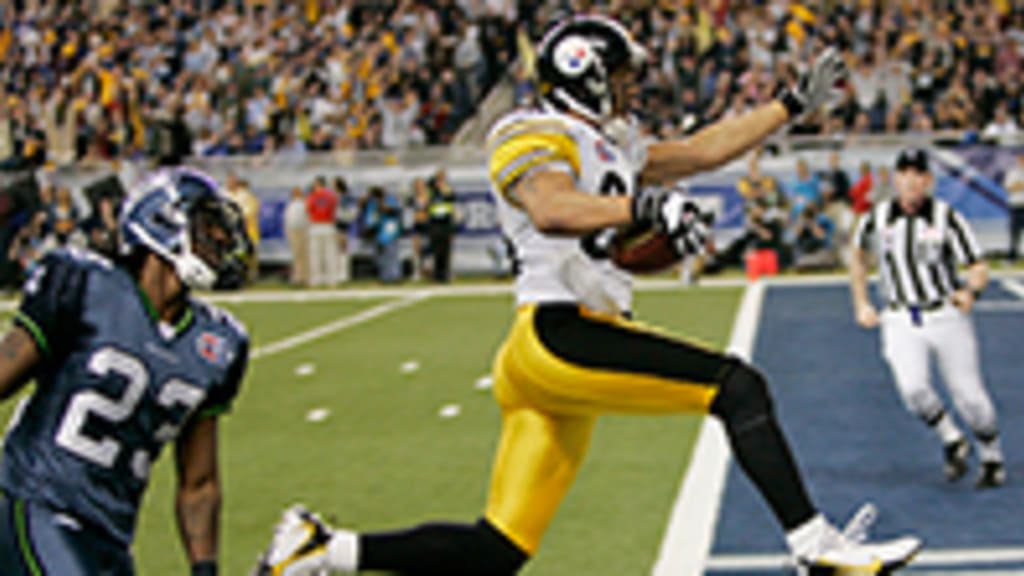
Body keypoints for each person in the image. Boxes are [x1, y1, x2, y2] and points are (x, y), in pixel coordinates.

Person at [256, 16, 920, 576]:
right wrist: (645, 206)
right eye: (623, 74)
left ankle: (321, 550)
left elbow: (697, 151)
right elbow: (550, 206)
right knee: (737, 388)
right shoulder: (531, 131)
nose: (633, 86)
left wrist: (790, 107)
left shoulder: (615, 141)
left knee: (499, 550)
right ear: (588, 74)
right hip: (557, 333)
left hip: (554, 355)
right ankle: (815, 547)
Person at [0, 167, 252, 575]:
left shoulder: (218, 344)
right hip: (36, 503)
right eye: (206, 224)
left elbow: (199, 482)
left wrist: (205, 569)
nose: (221, 238)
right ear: (161, 222)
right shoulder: (84, 285)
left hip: (109, 536)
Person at [850, 148, 1006, 488]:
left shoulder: (947, 218)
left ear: (929, 180)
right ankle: (952, 439)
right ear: (895, 179)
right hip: (900, 317)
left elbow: (978, 266)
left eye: (918, 173)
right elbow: (858, 256)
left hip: (945, 314)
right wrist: (861, 302)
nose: (911, 180)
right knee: (913, 389)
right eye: (904, 172)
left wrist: (970, 292)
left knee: (970, 397)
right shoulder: (876, 219)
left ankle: (991, 454)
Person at [306, 177, 339, 287]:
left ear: (318, 184)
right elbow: (334, 210)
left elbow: (308, 210)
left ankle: (316, 279)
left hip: (316, 225)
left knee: (315, 254)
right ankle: (332, 280)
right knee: (330, 254)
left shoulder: (312, 196)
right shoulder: (331, 196)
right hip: (328, 225)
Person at [426, 169, 458, 283]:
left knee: (446, 250)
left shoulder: (447, 190)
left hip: (446, 222)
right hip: (435, 223)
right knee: (437, 250)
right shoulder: (431, 191)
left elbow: (451, 198)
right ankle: (437, 274)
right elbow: (427, 202)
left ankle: (445, 274)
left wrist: (443, 188)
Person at [284, 186, 310, 286]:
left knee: (303, 255)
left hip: (302, 230)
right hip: (294, 230)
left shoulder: (304, 204)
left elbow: (307, 217)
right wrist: (288, 231)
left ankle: (304, 277)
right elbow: (287, 219)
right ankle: (298, 276)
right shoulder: (291, 205)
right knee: (297, 255)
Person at [1006, 153, 1024, 261]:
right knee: (1014, 232)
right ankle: (1013, 255)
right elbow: (1010, 188)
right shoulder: (1013, 172)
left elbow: (1016, 186)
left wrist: (1019, 185)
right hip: (1016, 205)